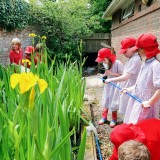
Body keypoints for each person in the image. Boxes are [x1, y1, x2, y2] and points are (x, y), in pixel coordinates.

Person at [123, 33, 160, 124]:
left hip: (146, 105)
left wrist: (150, 102)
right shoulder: (145, 63)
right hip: (138, 101)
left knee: (144, 128)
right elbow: (140, 83)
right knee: (134, 124)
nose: (137, 51)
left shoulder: (155, 65)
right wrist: (129, 89)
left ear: (145, 49)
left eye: (138, 49)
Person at [104, 38, 142, 117]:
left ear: (132, 49)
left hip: (131, 88)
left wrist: (110, 79)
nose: (124, 54)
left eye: (125, 51)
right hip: (127, 88)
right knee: (127, 110)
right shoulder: (131, 59)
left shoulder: (135, 60)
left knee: (130, 110)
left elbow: (125, 77)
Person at [95, 48, 123, 127]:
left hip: (115, 84)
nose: (103, 62)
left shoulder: (118, 63)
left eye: (104, 60)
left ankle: (114, 119)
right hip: (108, 84)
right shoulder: (106, 63)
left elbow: (122, 75)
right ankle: (104, 117)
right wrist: (102, 75)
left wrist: (111, 73)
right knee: (106, 99)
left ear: (109, 57)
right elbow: (107, 72)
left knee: (114, 101)